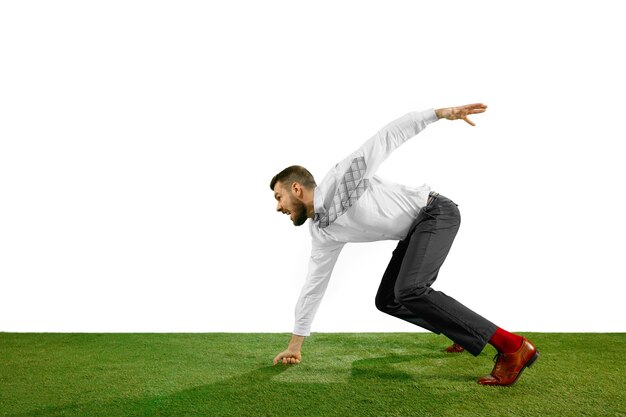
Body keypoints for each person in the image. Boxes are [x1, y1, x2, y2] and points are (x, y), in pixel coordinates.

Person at [269, 103, 539, 386]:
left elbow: (387, 136)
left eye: (279, 197)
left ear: (296, 189)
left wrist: (437, 114)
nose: (279, 207)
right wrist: (295, 345)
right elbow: (314, 285)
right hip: (414, 231)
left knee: (409, 290)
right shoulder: (322, 230)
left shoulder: (344, 177)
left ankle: (512, 346)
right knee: (388, 300)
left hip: (435, 213)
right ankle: (462, 332)